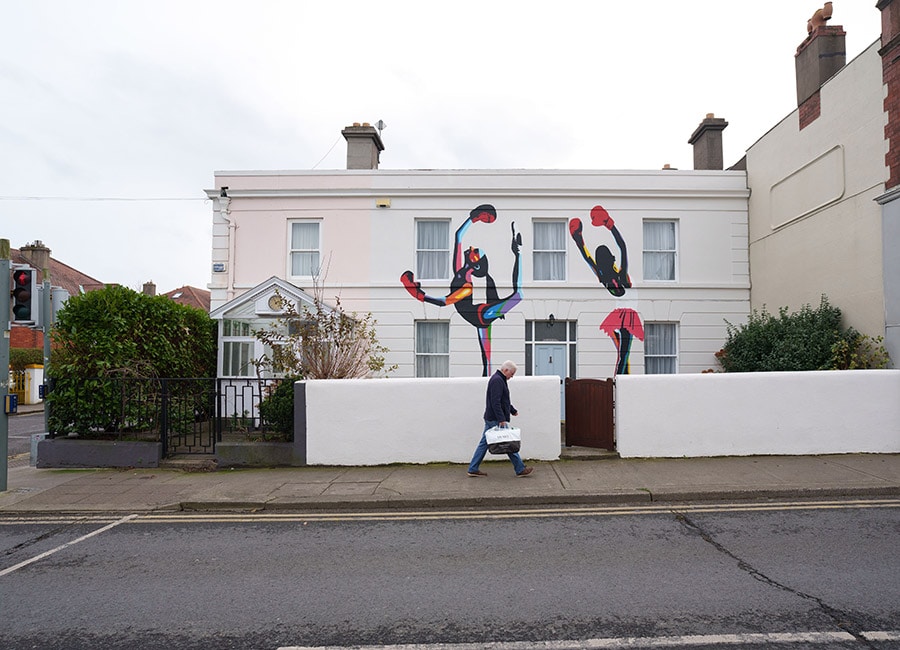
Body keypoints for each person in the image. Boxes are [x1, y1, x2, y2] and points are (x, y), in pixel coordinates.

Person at [401, 204, 523, 377]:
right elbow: (458, 236)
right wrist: (474, 218)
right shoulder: (459, 270)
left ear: (476, 263)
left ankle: (518, 253)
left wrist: (420, 295)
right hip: (478, 315)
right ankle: (486, 384)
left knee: (519, 296)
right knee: (487, 358)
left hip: (481, 314)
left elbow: (445, 301)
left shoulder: (466, 287)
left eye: (475, 252)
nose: (472, 248)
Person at [467, 360, 534, 478]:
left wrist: (512, 410)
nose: (512, 376)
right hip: (495, 418)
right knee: (508, 442)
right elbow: (495, 402)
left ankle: (473, 468)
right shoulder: (498, 380)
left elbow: (503, 400)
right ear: (506, 370)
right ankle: (520, 468)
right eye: (512, 374)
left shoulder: (499, 379)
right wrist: (501, 419)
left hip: (492, 417)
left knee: (486, 443)